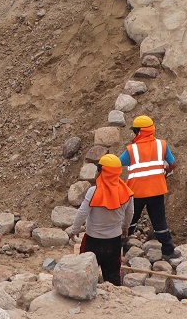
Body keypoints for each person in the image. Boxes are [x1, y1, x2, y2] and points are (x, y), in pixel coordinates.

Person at [119, 115, 180, 261]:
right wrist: (165, 172)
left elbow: (117, 163)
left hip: (136, 192)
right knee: (159, 221)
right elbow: (173, 163)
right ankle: (168, 250)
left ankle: (118, 246)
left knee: (130, 220)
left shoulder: (132, 150)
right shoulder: (162, 145)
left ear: (139, 132)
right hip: (156, 190)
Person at [71, 154, 134, 285]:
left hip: (92, 241)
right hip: (114, 241)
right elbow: (130, 213)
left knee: (86, 274)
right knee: (113, 276)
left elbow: (82, 213)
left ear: (102, 171)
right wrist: (125, 227)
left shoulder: (93, 191)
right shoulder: (126, 192)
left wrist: (75, 229)